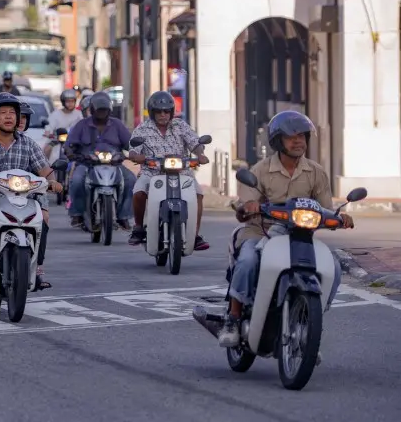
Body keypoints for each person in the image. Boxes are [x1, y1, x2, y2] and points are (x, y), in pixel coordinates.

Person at [218, 111, 352, 347]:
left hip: (300, 236)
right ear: (278, 141)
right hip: (261, 231)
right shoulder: (260, 170)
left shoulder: (316, 172)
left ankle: (309, 325)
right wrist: (249, 206)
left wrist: (339, 218)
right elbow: (245, 206)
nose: (298, 141)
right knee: (248, 260)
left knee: (335, 267)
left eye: (302, 136)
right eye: (291, 137)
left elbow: (326, 210)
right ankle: (233, 317)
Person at [0, 92, 63, 287]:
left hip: (25, 195)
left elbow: (45, 170)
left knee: (44, 218)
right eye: (3, 113)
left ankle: (36, 265)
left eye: (12, 113)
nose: (8, 116)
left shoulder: (29, 144)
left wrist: (52, 181)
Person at [127, 91, 210, 250]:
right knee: (138, 191)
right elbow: (133, 149)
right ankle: (138, 228)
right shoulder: (143, 128)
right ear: (152, 112)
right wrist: (135, 156)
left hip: (182, 173)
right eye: (159, 111)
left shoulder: (181, 126)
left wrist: (200, 154)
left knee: (198, 194)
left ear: (172, 112)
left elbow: (195, 142)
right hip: (152, 173)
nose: (163, 115)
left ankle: (194, 235)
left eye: (166, 111)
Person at [65, 91, 135, 230]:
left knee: (131, 180)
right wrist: (71, 152)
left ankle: (123, 216)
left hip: (114, 164)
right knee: (77, 181)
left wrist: (133, 153)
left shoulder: (117, 125)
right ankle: (77, 214)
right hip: (87, 164)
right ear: (92, 110)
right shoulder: (81, 125)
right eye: (99, 110)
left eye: (105, 110)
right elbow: (69, 144)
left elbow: (130, 143)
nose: (102, 113)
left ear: (109, 110)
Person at [44, 89, 83, 159]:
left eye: (72, 101)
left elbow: (83, 127)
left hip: (75, 141)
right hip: (57, 141)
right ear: (63, 102)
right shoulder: (55, 114)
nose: (70, 103)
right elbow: (48, 129)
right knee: (46, 149)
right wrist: (50, 134)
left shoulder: (79, 114)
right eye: (68, 101)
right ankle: (46, 167)